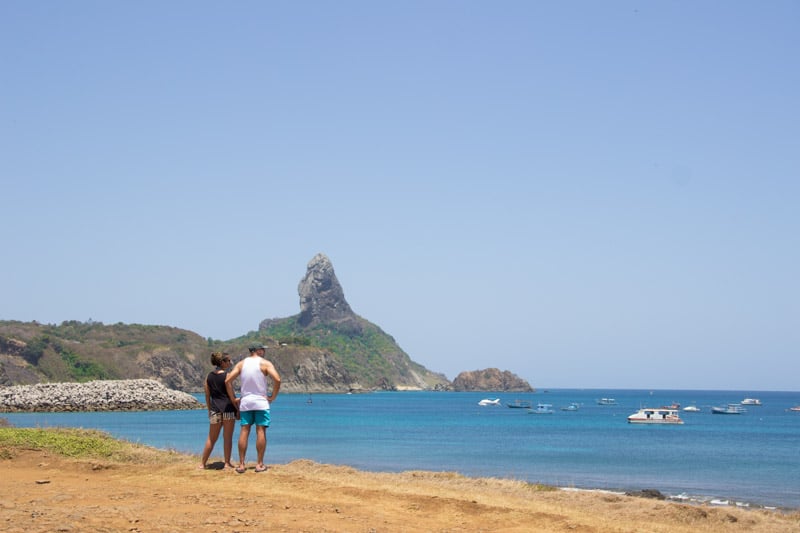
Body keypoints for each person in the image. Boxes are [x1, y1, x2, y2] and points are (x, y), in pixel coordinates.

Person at [225, 342, 281, 473]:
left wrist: (233, 399)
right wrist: (272, 396)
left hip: (246, 402)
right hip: (261, 402)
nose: (264, 352)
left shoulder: (241, 364)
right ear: (258, 351)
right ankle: (259, 464)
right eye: (263, 349)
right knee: (260, 431)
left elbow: (228, 381)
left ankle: (241, 464)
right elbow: (277, 380)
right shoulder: (265, 363)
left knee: (244, 430)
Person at [199, 352, 239, 470]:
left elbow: (207, 395)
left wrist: (209, 409)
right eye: (228, 361)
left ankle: (202, 463)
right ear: (222, 362)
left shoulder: (209, 376)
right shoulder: (227, 376)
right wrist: (237, 409)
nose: (230, 363)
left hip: (215, 409)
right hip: (227, 408)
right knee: (227, 437)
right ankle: (227, 463)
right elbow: (231, 395)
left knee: (211, 438)